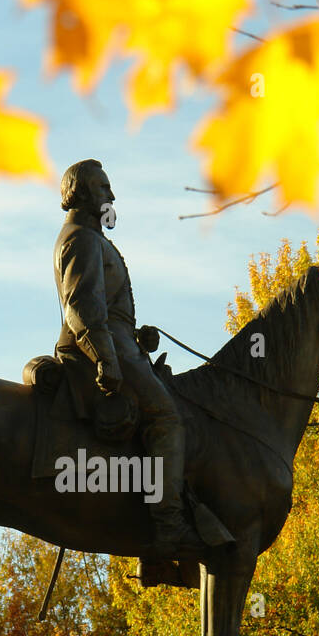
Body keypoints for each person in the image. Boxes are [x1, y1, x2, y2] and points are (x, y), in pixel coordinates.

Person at [53, 158, 200, 557]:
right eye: (103, 188)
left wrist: (137, 336)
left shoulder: (94, 240)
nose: (112, 196)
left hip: (120, 343)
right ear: (82, 193)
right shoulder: (80, 239)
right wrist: (107, 358)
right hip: (99, 349)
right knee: (166, 418)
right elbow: (82, 306)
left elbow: (105, 307)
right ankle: (169, 526)